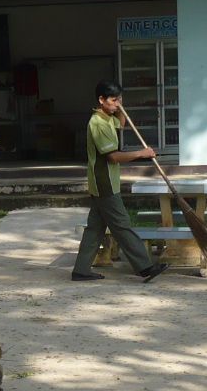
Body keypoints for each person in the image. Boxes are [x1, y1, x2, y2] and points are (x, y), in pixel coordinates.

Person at [71, 80, 168, 283]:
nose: (117, 104)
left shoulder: (108, 117)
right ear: (101, 100)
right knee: (122, 225)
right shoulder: (97, 123)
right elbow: (113, 157)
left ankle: (80, 270)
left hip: (106, 181)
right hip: (103, 182)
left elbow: (121, 124)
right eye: (114, 100)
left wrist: (121, 108)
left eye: (119, 100)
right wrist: (143, 153)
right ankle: (145, 267)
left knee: (95, 228)